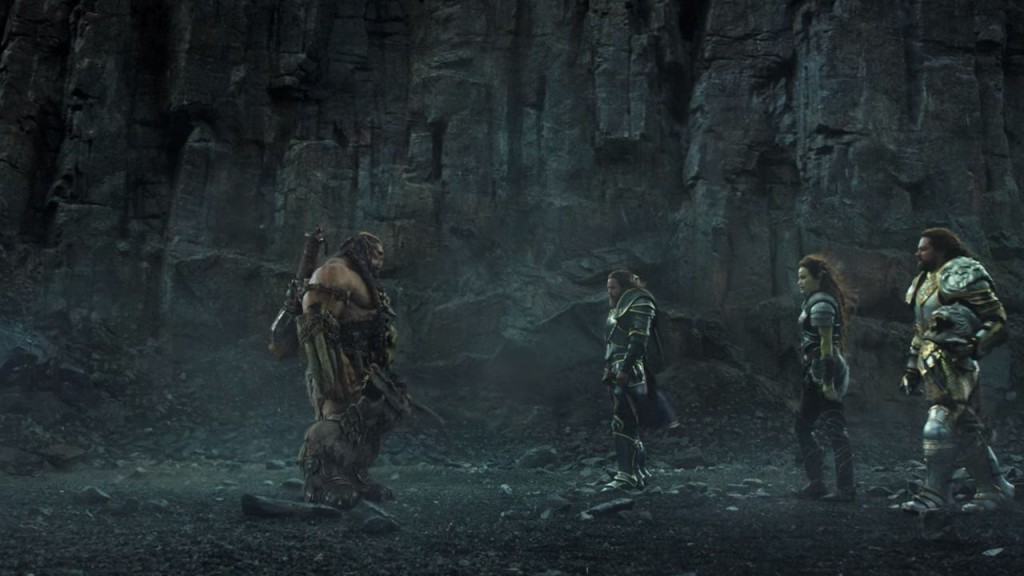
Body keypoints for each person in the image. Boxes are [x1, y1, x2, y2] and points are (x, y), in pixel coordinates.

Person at [899, 227, 1015, 513]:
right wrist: (912, 370)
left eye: (923, 248)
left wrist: (974, 345)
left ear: (940, 250)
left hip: (958, 364)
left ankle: (934, 494)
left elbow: (997, 320)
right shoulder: (923, 281)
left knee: (938, 426)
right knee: (965, 432)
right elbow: (921, 332)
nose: (917, 253)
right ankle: (994, 487)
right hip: (931, 364)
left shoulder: (962, 273)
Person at [292, 231, 411, 508]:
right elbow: (316, 316)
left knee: (372, 418)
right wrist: (335, 364)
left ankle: (354, 474)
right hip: (340, 365)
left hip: (367, 366)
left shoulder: (363, 280)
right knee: (337, 419)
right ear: (360, 248)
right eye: (377, 252)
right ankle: (323, 479)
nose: (381, 259)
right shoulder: (335, 272)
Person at [601, 270, 677, 492]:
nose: (610, 292)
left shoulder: (639, 302)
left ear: (625, 287)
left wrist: (625, 368)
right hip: (618, 369)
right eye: (608, 288)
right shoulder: (618, 308)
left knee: (623, 420)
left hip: (630, 371)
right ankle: (637, 472)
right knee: (625, 420)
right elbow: (613, 344)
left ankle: (627, 475)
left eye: (613, 287)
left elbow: (638, 340)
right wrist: (608, 368)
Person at [791, 254, 856, 502]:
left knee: (835, 430)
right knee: (803, 426)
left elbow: (827, 348)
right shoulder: (813, 302)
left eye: (804, 277)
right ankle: (817, 483)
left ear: (818, 277)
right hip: (815, 371)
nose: (800, 282)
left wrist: (828, 384)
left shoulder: (821, 304)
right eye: (798, 277)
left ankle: (846, 489)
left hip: (827, 371)